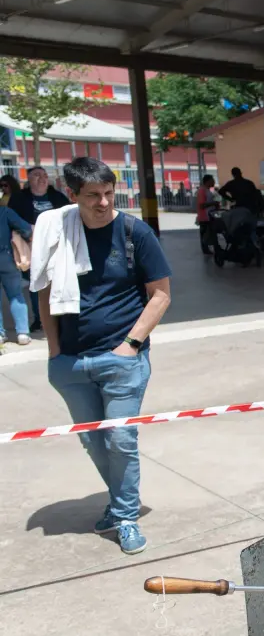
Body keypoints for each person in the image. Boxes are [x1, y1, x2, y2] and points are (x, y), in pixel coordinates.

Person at [36, 157, 172, 555]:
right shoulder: (58, 233)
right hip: (71, 362)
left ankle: (126, 517)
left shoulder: (134, 232)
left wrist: (130, 346)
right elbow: (45, 293)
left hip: (121, 360)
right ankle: (119, 503)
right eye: (93, 195)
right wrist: (54, 351)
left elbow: (161, 295)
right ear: (72, 194)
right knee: (94, 442)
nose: (104, 202)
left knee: (120, 439)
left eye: (109, 193)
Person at [9, 165, 70, 333]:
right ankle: (41, 319)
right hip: (31, 246)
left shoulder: (57, 197)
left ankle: (61, 317)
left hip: (57, 246)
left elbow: (69, 217)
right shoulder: (19, 198)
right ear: (28, 179)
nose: (42, 178)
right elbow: (12, 220)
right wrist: (29, 231)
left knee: (59, 281)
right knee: (36, 284)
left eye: (44, 175)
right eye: (37, 175)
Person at [0, 200, 32, 353]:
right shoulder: (5, 212)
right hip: (6, 257)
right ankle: (22, 333)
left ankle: (0, 334)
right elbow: (26, 229)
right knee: (15, 294)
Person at [195, 175, 220, 255]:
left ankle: (211, 248)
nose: (214, 182)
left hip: (209, 216)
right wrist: (213, 203)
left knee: (209, 233)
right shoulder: (202, 191)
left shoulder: (207, 190)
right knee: (205, 234)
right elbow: (202, 205)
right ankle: (206, 249)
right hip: (204, 216)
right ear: (207, 181)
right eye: (212, 181)